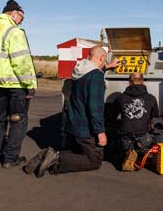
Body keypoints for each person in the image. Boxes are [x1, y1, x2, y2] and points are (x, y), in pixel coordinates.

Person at [24, 46, 108, 177]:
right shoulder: (96, 76)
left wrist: (106, 67)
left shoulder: (79, 71)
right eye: (105, 61)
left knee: (77, 151)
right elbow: (95, 108)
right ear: (102, 58)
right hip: (85, 129)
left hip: (73, 124)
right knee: (94, 160)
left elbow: (91, 75)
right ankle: (56, 159)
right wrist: (100, 132)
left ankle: (49, 154)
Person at [0, 0, 37, 168]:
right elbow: (21, 61)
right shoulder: (14, 31)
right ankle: (10, 158)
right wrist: (30, 84)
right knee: (18, 120)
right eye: (21, 17)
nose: (21, 21)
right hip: (16, 85)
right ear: (13, 13)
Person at [114, 73, 163, 171]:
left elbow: (112, 117)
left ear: (129, 83)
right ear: (143, 82)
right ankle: (156, 157)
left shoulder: (120, 98)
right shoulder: (151, 98)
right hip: (144, 140)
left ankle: (128, 152)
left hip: (124, 140)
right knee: (159, 125)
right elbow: (155, 117)